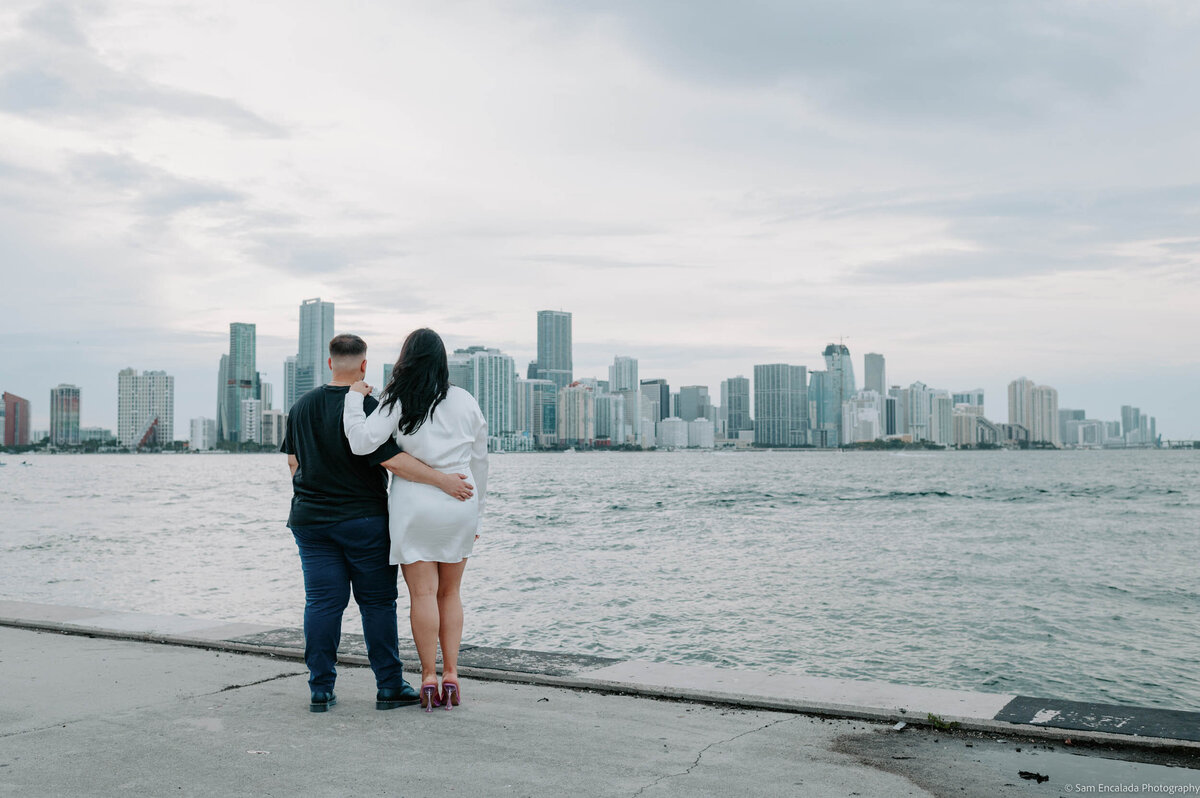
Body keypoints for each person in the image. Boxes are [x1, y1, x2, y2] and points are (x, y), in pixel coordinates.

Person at [282, 333, 475, 713]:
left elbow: (293, 462)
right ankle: (389, 686)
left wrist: (314, 495)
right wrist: (445, 482)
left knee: (322, 603)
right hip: (364, 519)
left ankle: (321, 689)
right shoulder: (370, 405)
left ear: (329, 363)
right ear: (365, 365)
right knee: (377, 605)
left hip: (311, 520)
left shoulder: (301, 406)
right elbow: (391, 460)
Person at [343, 328, 488, 712]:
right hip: (461, 501)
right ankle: (452, 674)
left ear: (407, 358)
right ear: (443, 361)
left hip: (413, 505)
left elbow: (361, 442)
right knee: (451, 593)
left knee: (422, 594)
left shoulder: (397, 397)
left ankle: (427, 677)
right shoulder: (466, 400)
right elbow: (480, 463)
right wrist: (477, 517)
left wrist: (354, 400)